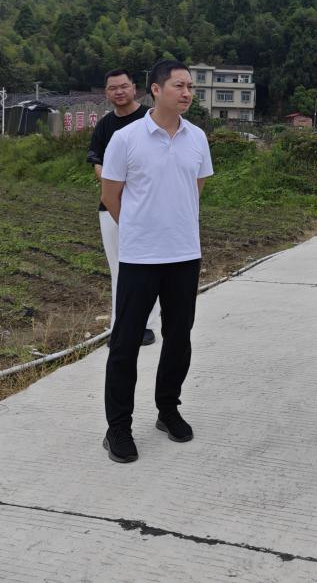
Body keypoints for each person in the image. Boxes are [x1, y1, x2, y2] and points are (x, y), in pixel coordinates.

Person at [99, 59, 213, 464]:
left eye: (191, 87)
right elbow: (111, 195)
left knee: (179, 338)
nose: (187, 93)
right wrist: (139, 229)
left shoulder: (197, 138)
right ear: (156, 90)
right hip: (140, 257)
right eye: (179, 86)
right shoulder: (126, 139)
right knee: (126, 341)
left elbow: (195, 188)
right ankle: (118, 427)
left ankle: (168, 409)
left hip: (184, 254)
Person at [87, 68, 155, 346]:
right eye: (113, 88)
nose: (119, 92)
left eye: (123, 86)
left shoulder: (151, 118)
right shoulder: (104, 126)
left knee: (150, 267)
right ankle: (121, 327)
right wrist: (117, 183)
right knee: (119, 268)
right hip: (111, 205)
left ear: (134, 88)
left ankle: (146, 326)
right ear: (106, 93)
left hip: (148, 207)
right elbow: (97, 165)